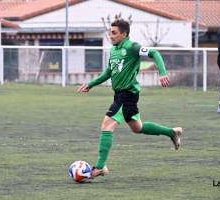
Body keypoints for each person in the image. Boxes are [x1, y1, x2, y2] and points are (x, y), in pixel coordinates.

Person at [77, 19, 183, 179]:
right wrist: (90, 84)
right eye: (110, 32)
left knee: (106, 126)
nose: (110, 36)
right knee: (137, 128)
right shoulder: (113, 50)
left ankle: (100, 167)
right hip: (120, 94)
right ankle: (172, 133)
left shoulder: (133, 47)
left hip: (128, 94)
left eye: (114, 33)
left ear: (124, 34)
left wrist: (162, 72)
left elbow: (155, 53)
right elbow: (108, 72)